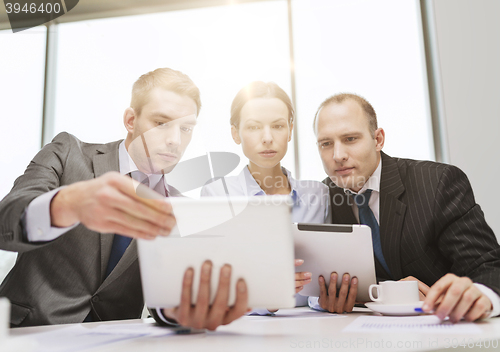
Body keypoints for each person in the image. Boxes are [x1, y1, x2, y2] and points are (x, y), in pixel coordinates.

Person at [0, 68, 249, 329]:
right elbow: (5, 223)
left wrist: (181, 311)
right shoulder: (67, 153)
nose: (175, 140)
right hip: (26, 332)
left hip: (114, 341)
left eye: (185, 128)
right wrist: (67, 204)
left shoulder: (180, 209)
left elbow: (163, 301)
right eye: (161, 123)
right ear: (131, 120)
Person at [312, 93, 500, 322]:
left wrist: (481, 296)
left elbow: (488, 265)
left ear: (378, 139)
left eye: (350, 139)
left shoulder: (438, 183)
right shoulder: (321, 197)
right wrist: (320, 298)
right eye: (326, 143)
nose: (338, 155)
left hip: (445, 328)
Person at [201, 81, 330, 312]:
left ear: (290, 130)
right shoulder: (218, 194)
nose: (267, 137)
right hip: (246, 329)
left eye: (278, 126)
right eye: (253, 127)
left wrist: (325, 299)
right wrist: (268, 295)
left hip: (312, 326)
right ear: (235, 133)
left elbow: (325, 279)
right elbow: (215, 284)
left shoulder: (318, 194)